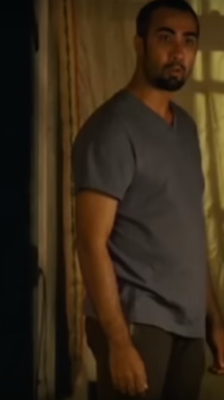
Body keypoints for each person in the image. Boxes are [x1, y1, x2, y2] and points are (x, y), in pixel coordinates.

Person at [73, 1, 224, 399]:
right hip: (138, 322)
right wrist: (119, 342)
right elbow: (90, 243)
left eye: (189, 41)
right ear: (139, 44)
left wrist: (214, 319)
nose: (178, 52)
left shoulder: (186, 129)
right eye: (165, 38)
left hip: (188, 325)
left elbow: (186, 233)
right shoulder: (112, 129)